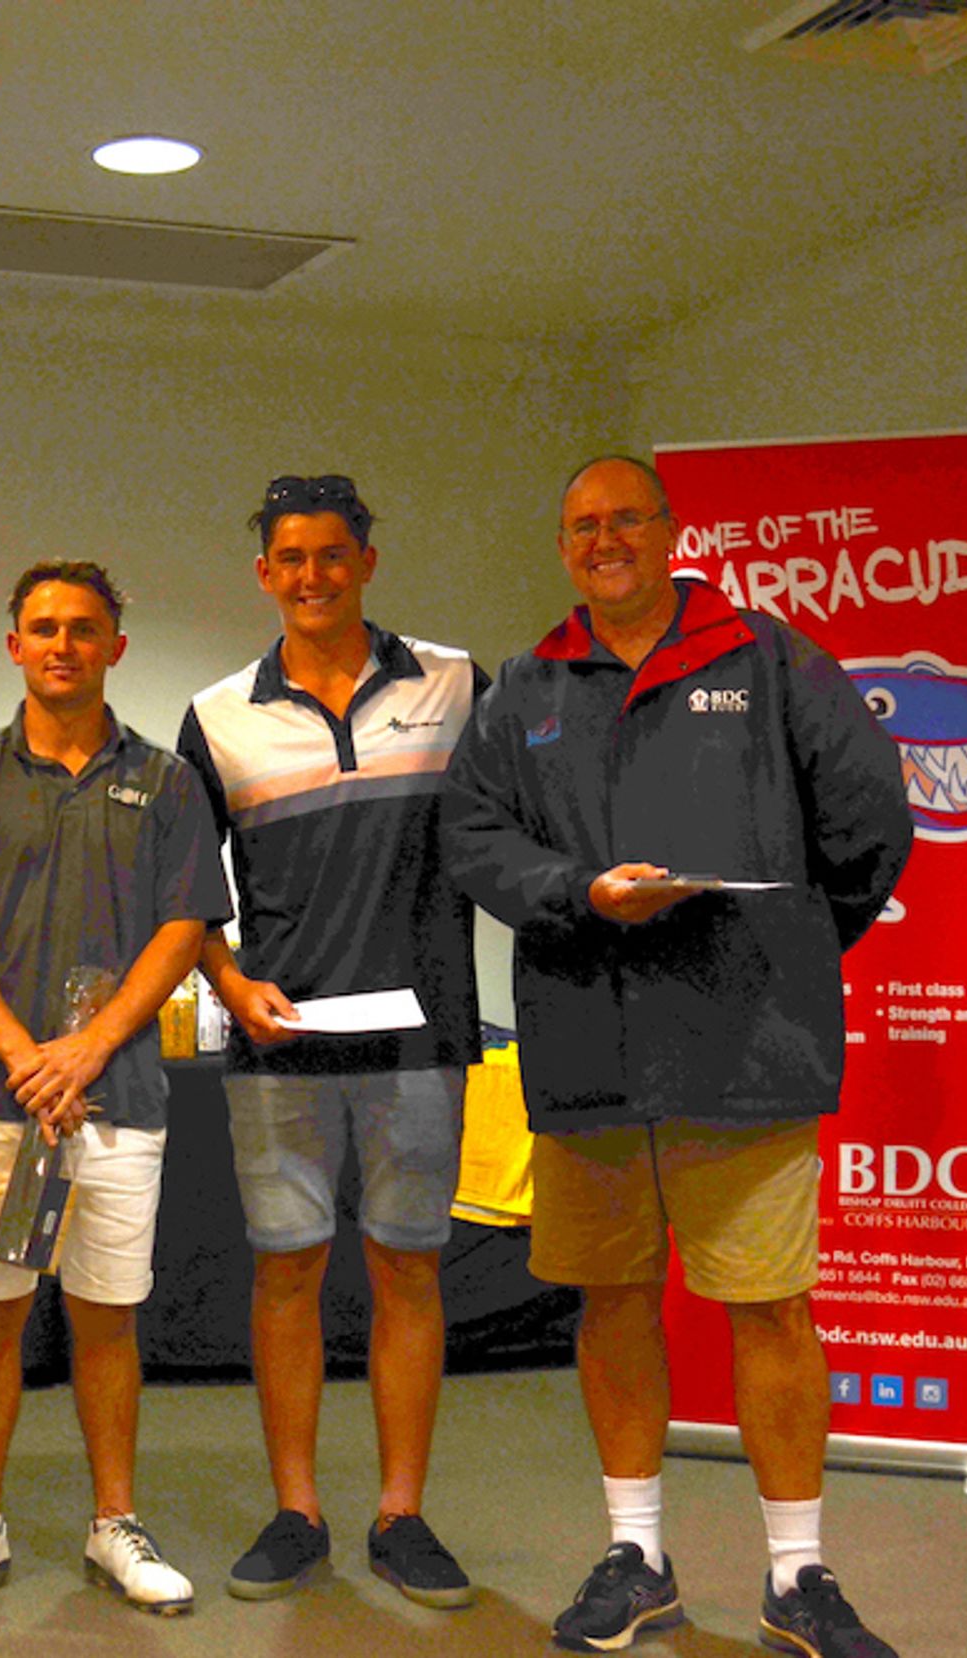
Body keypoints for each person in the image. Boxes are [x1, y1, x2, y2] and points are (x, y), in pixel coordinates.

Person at [440, 456, 913, 1658]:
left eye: (624, 520)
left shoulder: (769, 658)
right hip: (585, 1042)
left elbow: (868, 816)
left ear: (669, 531)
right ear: (563, 546)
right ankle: (635, 1556)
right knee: (609, 1300)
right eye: (580, 525)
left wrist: (788, 943)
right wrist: (577, 892)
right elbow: (472, 834)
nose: (602, 541)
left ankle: (798, 1574)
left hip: (743, 1045)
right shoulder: (528, 685)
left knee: (772, 1306)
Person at [0, 560, 232, 1616]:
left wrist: (87, 1049)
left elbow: (184, 925)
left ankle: (113, 1523)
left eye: (83, 628)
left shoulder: (168, 782)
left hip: (116, 1094)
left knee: (107, 1317)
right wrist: (23, 1054)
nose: (62, 644)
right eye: (42, 627)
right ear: (14, 645)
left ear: (114, 648)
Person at [175, 474, 484, 1608]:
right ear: (264, 574)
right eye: (291, 559)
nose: (312, 577)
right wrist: (228, 981)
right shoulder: (216, 715)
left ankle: (402, 1514)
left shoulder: (457, 683)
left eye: (332, 554)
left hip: (421, 1038)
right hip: (281, 1040)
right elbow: (182, 890)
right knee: (288, 1269)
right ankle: (296, 1510)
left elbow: (511, 829)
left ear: (366, 560)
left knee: (408, 1266)